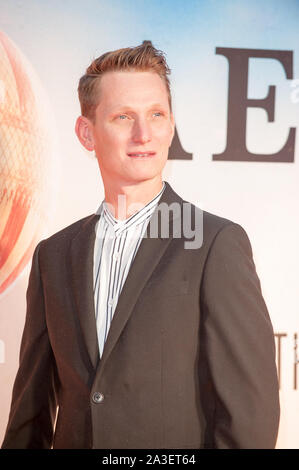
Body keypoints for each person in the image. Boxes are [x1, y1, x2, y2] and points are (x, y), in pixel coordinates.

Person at [2, 41, 280, 449]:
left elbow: (249, 417)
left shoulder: (215, 245)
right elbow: (30, 414)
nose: (143, 134)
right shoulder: (53, 256)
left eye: (156, 114)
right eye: (122, 117)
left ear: (170, 125)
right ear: (86, 133)